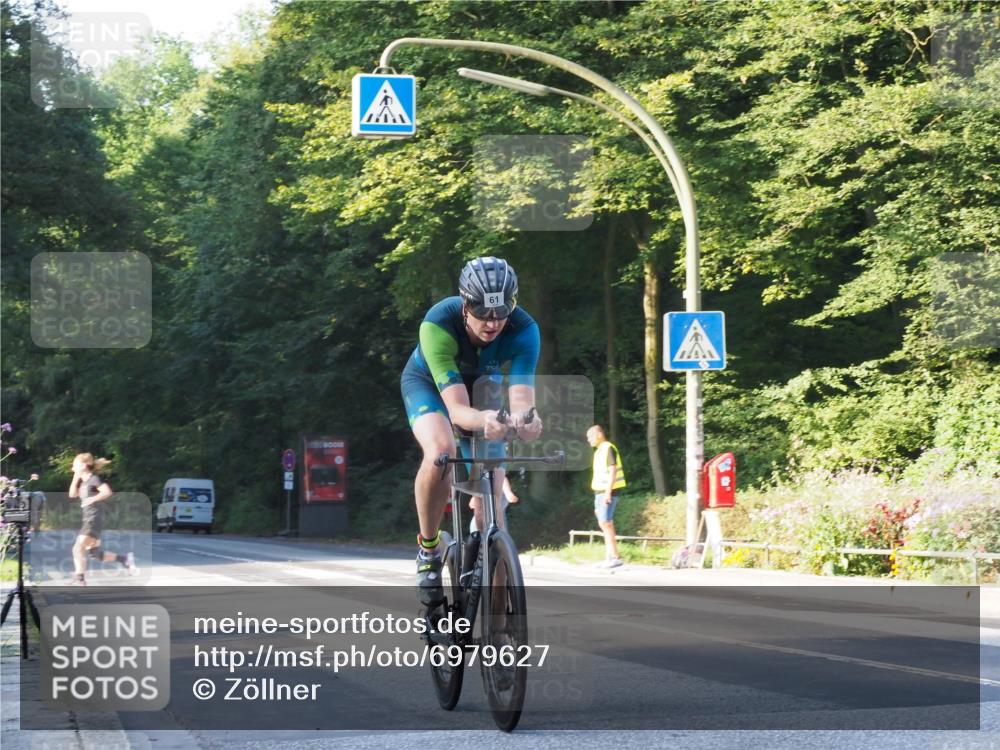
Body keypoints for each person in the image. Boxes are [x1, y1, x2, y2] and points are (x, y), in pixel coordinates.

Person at [401, 257, 542, 606]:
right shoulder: (438, 323)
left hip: (483, 385)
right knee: (440, 451)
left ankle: (498, 625)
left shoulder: (525, 329)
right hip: (432, 387)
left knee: (490, 500)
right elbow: (459, 412)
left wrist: (527, 422)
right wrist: (486, 420)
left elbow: (522, 398)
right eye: (483, 312)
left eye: (501, 312)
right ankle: (429, 550)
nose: (493, 323)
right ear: (465, 305)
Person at [68, 453, 138, 585]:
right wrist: (75, 477)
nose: (72, 468)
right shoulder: (84, 482)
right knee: (96, 554)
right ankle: (124, 559)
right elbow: (72, 494)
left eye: (75, 466)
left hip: (93, 519)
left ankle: (80, 579)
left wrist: (91, 499)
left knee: (77, 548)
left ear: (84, 465)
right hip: (89, 519)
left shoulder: (94, 479)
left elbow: (107, 492)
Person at [586, 425, 627, 568]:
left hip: (607, 492)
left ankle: (616, 557)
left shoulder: (608, 448)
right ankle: (609, 557)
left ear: (599, 435)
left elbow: (613, 470)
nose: (589, 440)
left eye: (590, 437)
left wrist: (608, 493)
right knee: (605, 523)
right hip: (599, 492)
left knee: (606, 523)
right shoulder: (599, 452)